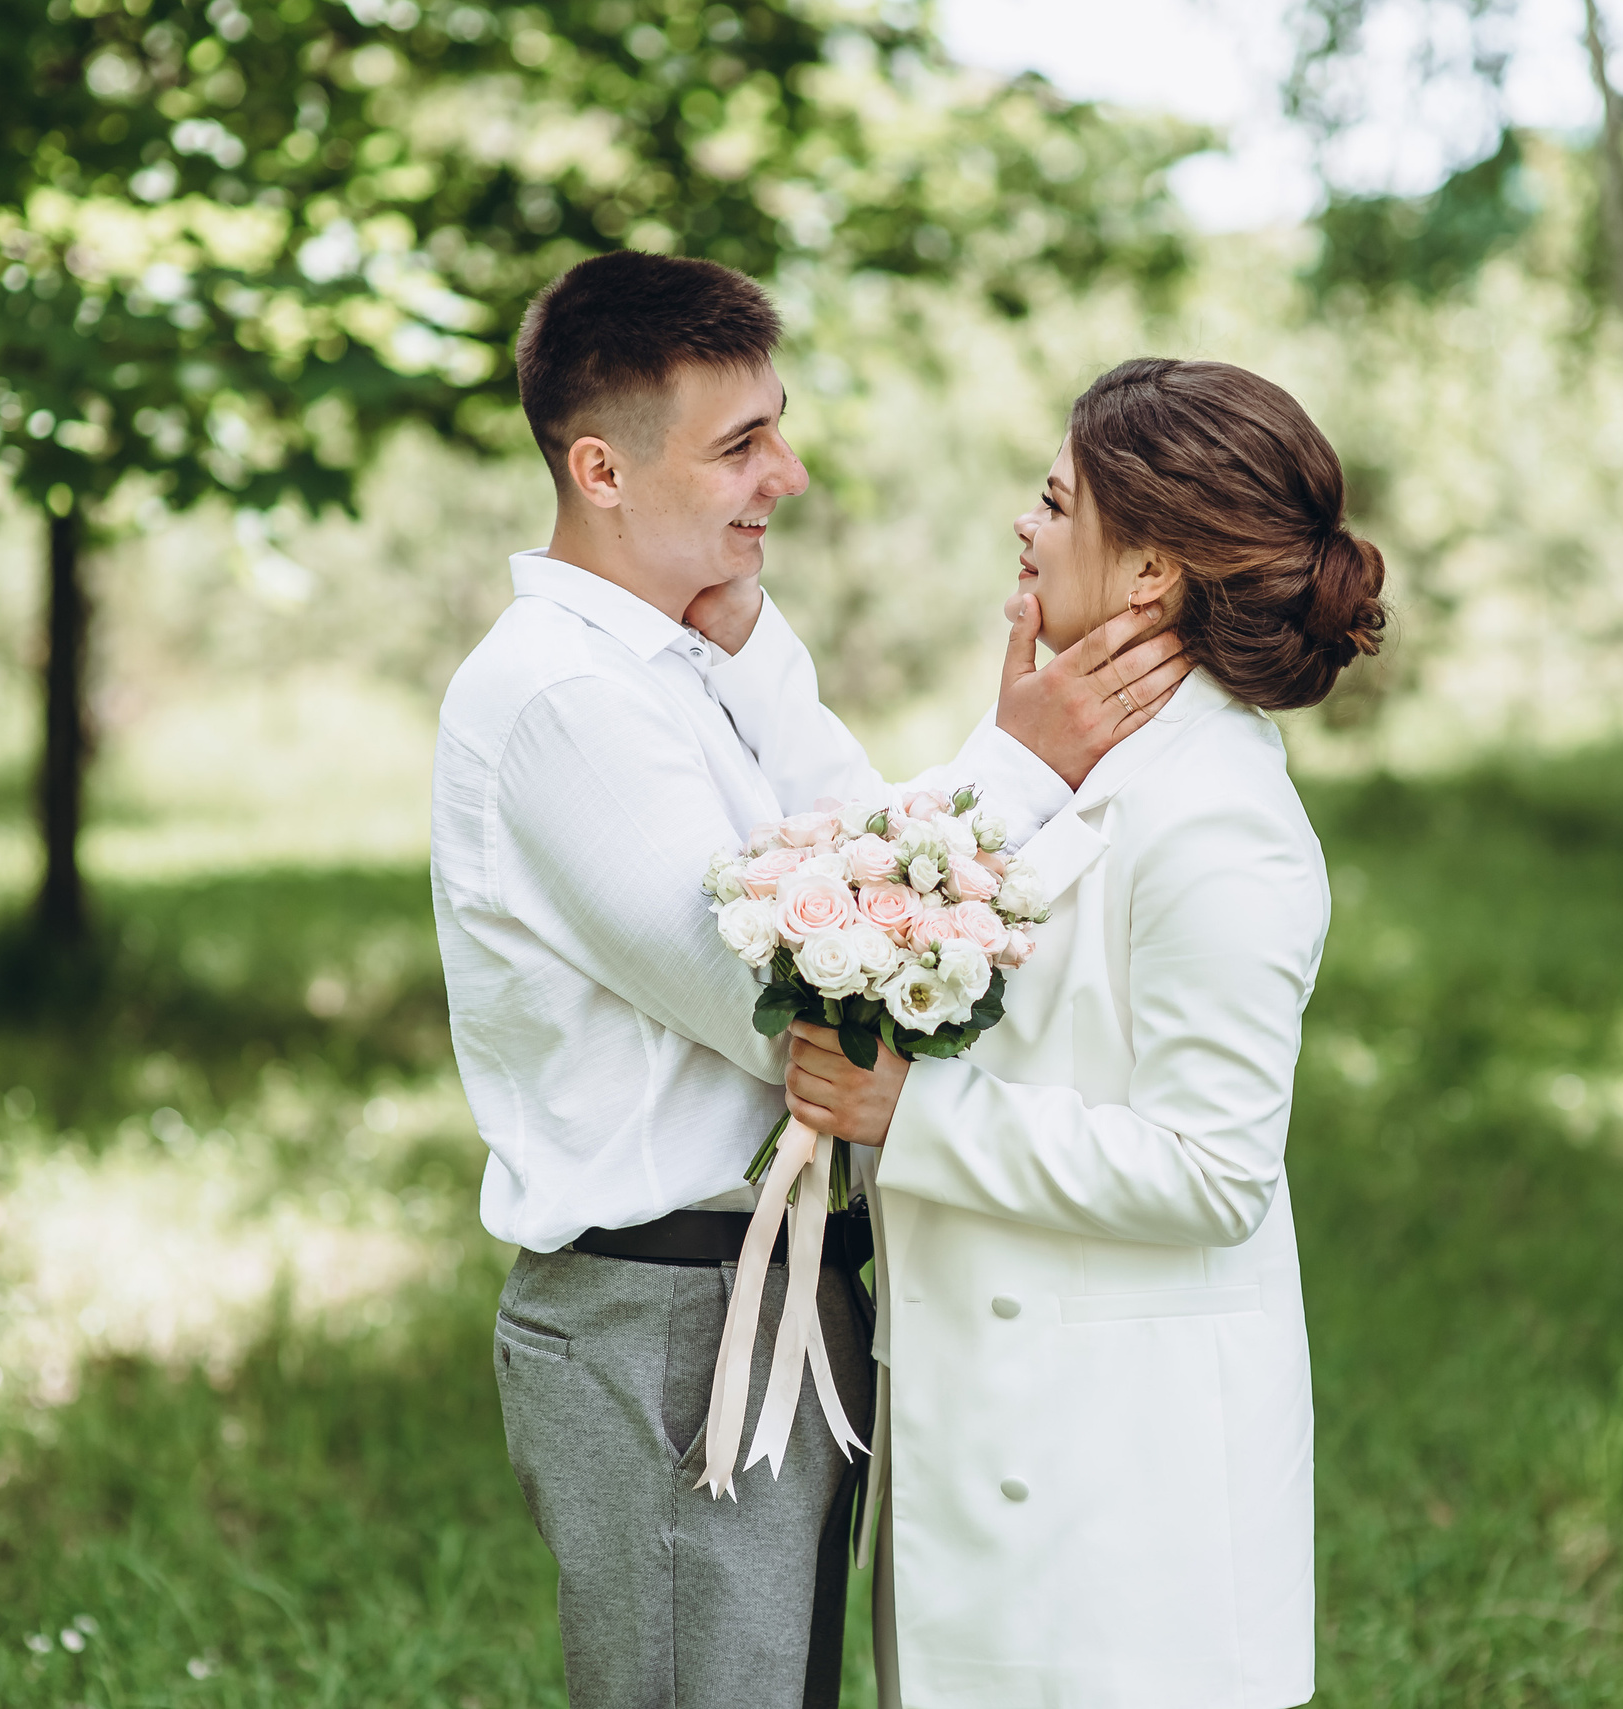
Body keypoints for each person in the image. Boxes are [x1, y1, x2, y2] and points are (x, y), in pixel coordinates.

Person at [427, 253, 1189, 1709]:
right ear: (601, 469)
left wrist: (761, 657)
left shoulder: (689, 657)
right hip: (667, 1320)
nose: (786, 471)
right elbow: (799, 995)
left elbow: (855, 843)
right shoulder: (562, 698)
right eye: (739, 444)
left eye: (777, 425)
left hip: (772, 1291)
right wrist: (1023, 759)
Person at [778, 357, 1386, 1709]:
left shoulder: (1221, 819)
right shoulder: (1082, 760)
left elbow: (1215, 1172)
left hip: (1123, 1508)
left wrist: (911, 1113)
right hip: (997, 1442)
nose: (1025, 523)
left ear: (1153, 572)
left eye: (1057, 503)